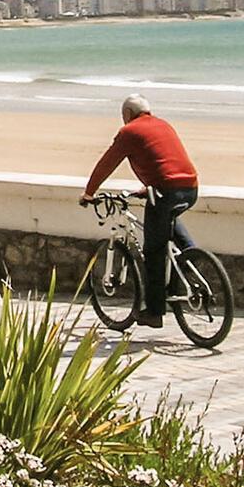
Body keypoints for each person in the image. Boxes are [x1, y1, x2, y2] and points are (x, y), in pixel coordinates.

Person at [81, 94, 199, 327]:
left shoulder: (129, 132)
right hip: (189, 188)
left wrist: (89, 193)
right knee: (168, 221)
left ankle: (154, 313)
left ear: (127, 114)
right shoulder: (163, 125)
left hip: (165, 192)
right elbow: (166, 161)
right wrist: (149, 188)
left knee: (153, 251)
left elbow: (107, 163)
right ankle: (191, 260)